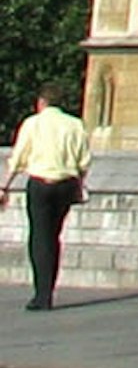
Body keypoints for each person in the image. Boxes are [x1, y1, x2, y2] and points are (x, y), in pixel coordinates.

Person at [3, 84, 90, 311]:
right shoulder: (75, 125)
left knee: (39, 236)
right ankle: (49, 287)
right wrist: (81, 185)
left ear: (42, 102)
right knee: (53, 234)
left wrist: (4, 187)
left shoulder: (32, 123)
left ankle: (42, 294)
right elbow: (83, 161)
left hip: (41, 182)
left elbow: (18, 158)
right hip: (66, 184)